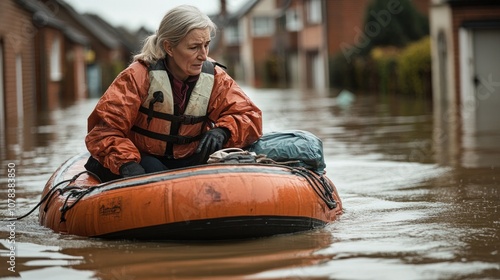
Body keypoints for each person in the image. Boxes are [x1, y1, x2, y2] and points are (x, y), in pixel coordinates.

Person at [84, 5, 263, 182]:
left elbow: (249, 115)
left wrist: (223, 130)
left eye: (206, 45)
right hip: (144, 159)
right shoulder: (137, 77)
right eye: (194, 47)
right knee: (152, 169)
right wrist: (127, 164)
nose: (203, 55)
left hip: (191, 158)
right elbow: (103, 131)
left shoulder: (216, 78)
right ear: (169, 48)